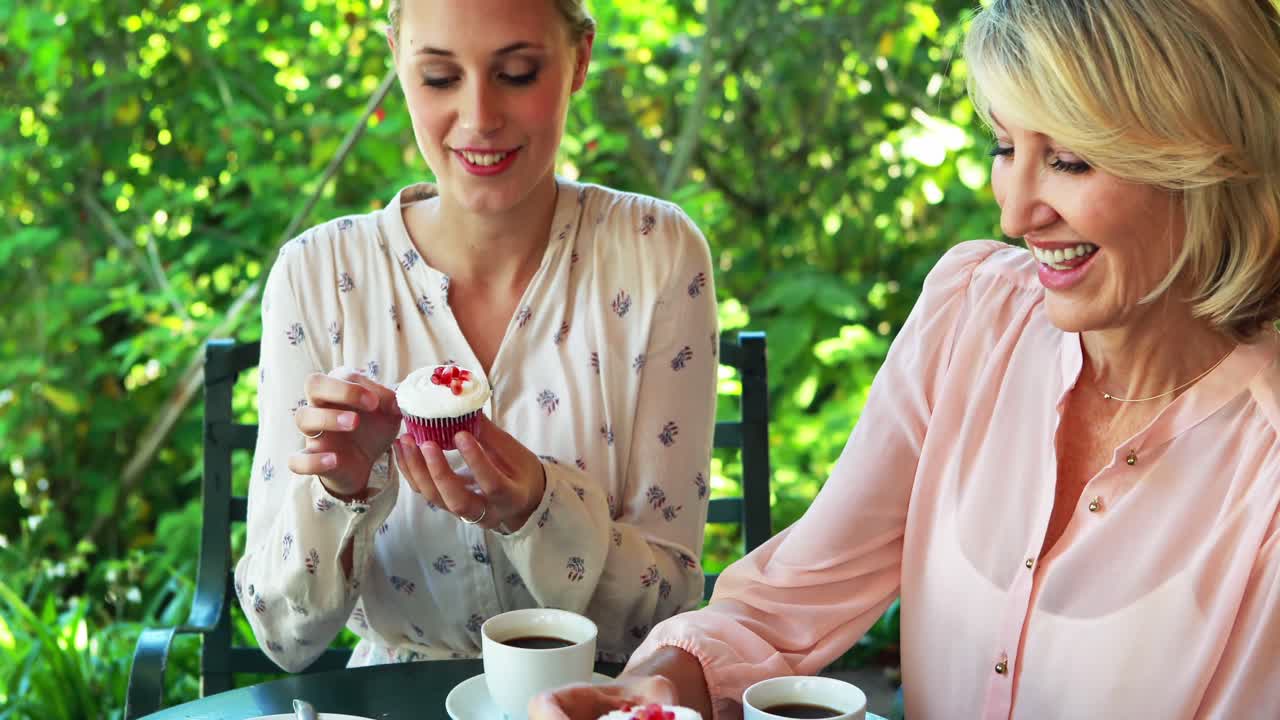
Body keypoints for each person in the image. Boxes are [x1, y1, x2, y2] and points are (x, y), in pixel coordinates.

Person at [533, 0, 1280, 717]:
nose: (1016, 213)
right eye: (1004, 147)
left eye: (1070, 161)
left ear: (1208, 159)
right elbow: (794, 598)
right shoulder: (972, 315)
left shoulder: (1265, 457)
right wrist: (664, 681)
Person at [234, 0, 720, 671]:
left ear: (579, 59)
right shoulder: (319, 276)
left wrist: (538, 506)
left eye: (517, 73)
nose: (480, 118)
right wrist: (339, 494)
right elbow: (282, 637)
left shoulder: (655, 254)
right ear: (396, 58)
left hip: (600, 703)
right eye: (439, 78)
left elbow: (666, 617)